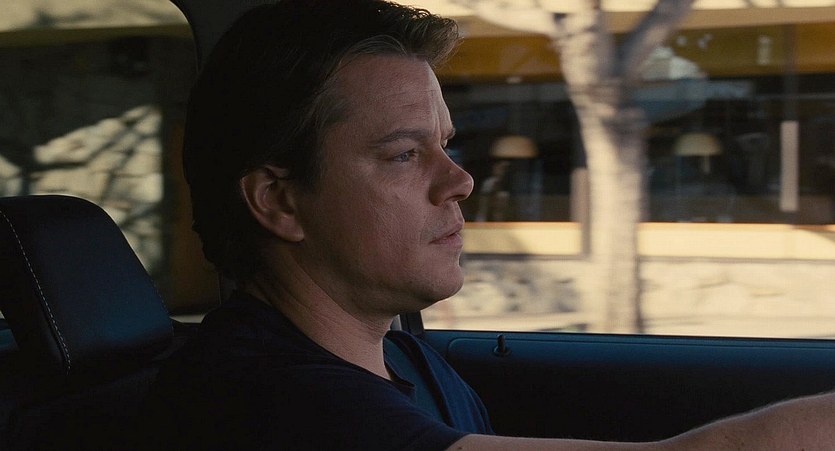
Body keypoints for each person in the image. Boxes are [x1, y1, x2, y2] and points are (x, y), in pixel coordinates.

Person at [142, 0, 835, 449]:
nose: (460, 181)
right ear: (279, 201)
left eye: (446, 145)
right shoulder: (267, 401)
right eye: (404, 154)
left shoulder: (404, 359)